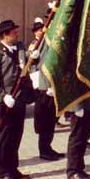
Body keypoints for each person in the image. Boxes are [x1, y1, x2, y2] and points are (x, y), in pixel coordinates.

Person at [0, 20, 34, 179]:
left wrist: (34, 57)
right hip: (4, 103)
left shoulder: (18, 48)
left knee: (16, 136)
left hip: (18, 100)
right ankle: (3, 171)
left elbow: (25, 67)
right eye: (14, 32)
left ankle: (13, 168)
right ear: (5, 35)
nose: (17, 34)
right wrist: (2, 96)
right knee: (4, 138)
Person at [28, 18, 65, 161]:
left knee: (51, 119)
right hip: (42, 85)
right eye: (38, 30)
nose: (40, 32)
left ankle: (48, 147)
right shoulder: (36, 44)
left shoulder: (50, 41)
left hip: (52, 85)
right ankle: (43, 149)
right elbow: (31, 64)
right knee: (44, 119)